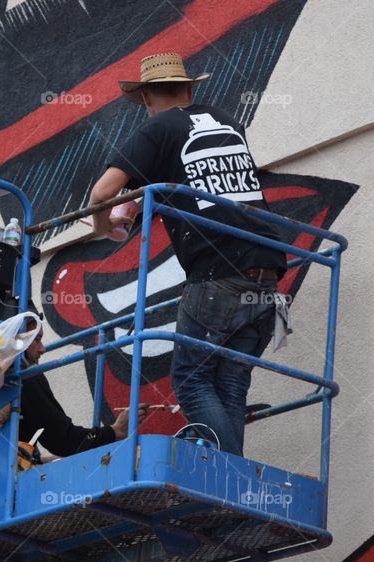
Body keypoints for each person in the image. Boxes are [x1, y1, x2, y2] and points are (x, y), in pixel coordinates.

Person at [88, 53, 286, 457]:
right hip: (268, 264)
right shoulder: (228, 123)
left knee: (192, 380)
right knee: (229, 383)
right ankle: (234, 481)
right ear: (191, 88)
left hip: (218, 270)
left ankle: (228, 479)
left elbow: (102, 193)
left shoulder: (157, 128)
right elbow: (204, 184)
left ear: (144, 97)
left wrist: (104, 228)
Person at [16, 319, 149, 459]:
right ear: (16, 343)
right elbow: (63, 440)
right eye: (36, 340)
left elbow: (59, 443)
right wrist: (115, 431)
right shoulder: (26, 376)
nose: (43, 348)